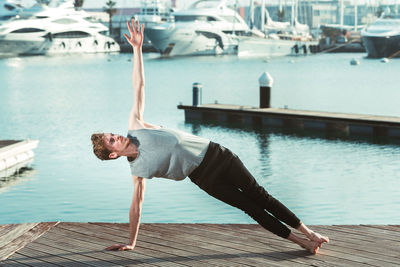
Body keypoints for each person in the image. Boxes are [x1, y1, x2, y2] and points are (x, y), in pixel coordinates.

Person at [91, 20, 329, 254]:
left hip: (218, 156)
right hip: (204, 179)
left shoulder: (136, 125)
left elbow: (139, 85)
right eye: (112, 140)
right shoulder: (138, 171)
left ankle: (310, 233)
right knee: (250, 208)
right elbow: (136, 207)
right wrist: (131, 241)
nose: (117, 136)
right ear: (113, 154)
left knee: (260, 196)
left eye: (113, 134)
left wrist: (137, 49)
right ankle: (302, 243)